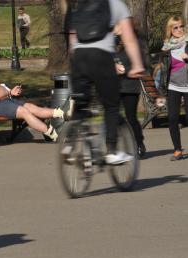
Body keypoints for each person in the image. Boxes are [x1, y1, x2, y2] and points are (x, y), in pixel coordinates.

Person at [66, 0, 145, 164]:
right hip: (101, 56)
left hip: (79, 57)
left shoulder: (79, 4)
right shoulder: (116, 4)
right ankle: (111, 150)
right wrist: (137, 65)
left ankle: (70, 145)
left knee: (81, 100)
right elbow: (129, 39)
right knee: (111, 105)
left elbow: (72, 38)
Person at [0, 58, 64, 142]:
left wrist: (12, 92)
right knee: (24, 112)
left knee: (31, 107)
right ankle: (51, 133)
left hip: (9, 100)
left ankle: (61, 113)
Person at [158, 16, 188, 161]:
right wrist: (162, 91)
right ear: (170, 30)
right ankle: (178, 150)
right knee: (172, 118)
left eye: (181, 26)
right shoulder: (166, 47)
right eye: (175, 27)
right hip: (173, 86)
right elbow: (164, 70)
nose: (179, 30)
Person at [114, 28, 146, 158]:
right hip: (114, 87)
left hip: (130, 87)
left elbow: (141, 65)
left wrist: (124, 69)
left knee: (131, 117)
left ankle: (139, 142)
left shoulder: (133, 45)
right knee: (112, 116)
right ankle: (113, 147)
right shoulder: (112, 46)